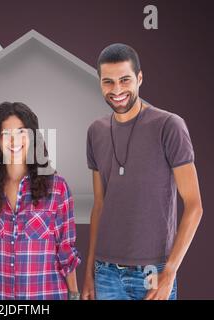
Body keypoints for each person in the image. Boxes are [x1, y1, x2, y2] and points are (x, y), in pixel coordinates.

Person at [82, 43, 203, 300]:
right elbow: (99, 205)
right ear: (100, 83)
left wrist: (169, 272)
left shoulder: (169, 126)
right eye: (108, 82)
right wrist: (89, 273)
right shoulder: (96, 131)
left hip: (154, 271)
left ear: (139, 78)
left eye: (125, 80)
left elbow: (194, 205)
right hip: (106, 273)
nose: (117, 90)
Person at [0, 102, 81, 300]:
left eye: (21, 132)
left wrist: (75, 296)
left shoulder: (57, 188)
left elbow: (66, 252)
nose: (14, 140)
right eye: (6, 134)